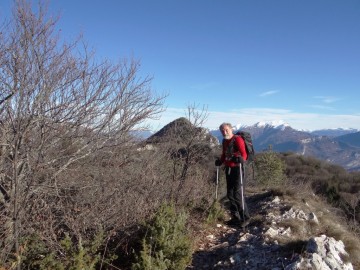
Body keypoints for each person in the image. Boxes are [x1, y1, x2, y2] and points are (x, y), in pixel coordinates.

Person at [215, 122, 250, 226]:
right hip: (229, 169)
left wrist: (240, 159)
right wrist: (220, 161)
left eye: (226, 130)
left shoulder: (237, 139)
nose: (224, 132)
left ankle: (245, 218)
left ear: (231, 129)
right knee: (230, 194)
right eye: (222, 130)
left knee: (238, 194)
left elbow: (244, 154)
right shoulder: (224, 141)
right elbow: (224, 153)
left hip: (238, 169)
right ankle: (235, 217)